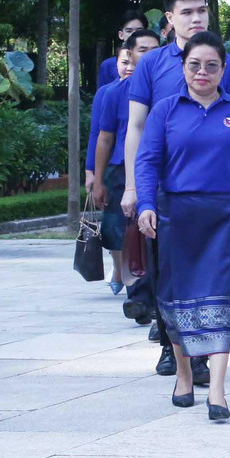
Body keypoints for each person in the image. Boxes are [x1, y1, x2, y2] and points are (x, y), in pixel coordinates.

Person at [135, 31, 230, 421]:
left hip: (226, 216)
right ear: (183, 67)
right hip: (175, 216)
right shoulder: (165, 110)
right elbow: (147, 162)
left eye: (211, 65)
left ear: (223, 69)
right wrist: (146, 203)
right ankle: (183, 374)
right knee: (175, 296)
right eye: (194, 64)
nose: (202, 72)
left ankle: (217, 389)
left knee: (217, 297)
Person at [121, 0, 230, 380]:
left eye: (202, 11)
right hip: (163, 188)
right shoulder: (152, 64)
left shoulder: (228, 64)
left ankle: (203, 352)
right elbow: (136, 127)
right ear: (169, 19)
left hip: (214, 194)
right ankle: (170, 346)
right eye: (187, 12)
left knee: (210, 272)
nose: (196, 18)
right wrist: (133, 187)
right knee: (167, 272)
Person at [91, 28, 161, 300]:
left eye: (155, 50)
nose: (150, 56)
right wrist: (97, 180)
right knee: (123, 232)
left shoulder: (170, 89)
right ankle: (136, 292)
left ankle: (150, 293)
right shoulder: (114, 93)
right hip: (122, 171)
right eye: (143, 50)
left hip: (159, 169)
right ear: (130, 54)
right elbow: (104, 139)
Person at [97, 11, 150, 88]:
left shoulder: (153, 61)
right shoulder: (108, 65)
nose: (134, 35)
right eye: (129, 31)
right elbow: (102, 94)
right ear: (121, 35)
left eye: (139, 31)